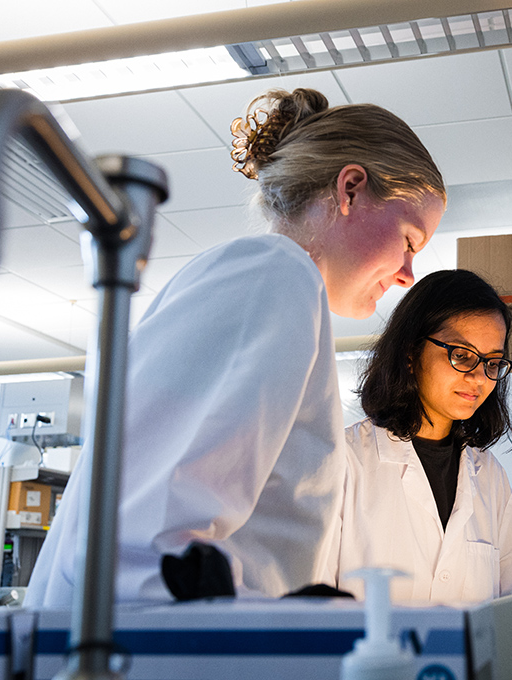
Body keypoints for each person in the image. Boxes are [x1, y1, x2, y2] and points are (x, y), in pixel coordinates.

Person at [25, 88, 446, 605]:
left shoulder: (268, 283)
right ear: (351, 188)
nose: (408, 275)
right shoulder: (274, 274)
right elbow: (151, 559)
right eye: (409, 240)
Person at [328, 269, 512, 603]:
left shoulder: (489, 476)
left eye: (493, 363)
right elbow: (307, 605)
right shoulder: (343, 461)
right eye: (461, 355)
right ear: (411, 354)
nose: (478, 378)